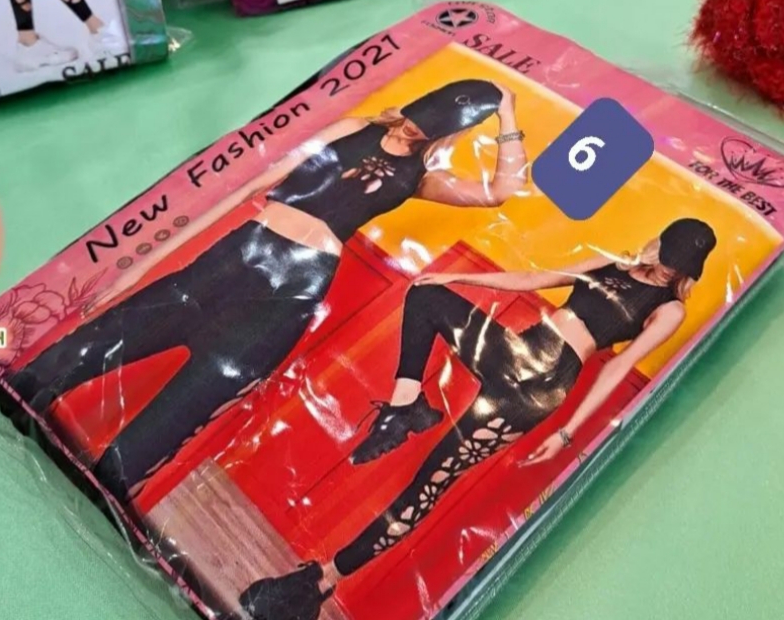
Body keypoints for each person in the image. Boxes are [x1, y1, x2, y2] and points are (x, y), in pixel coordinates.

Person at [9, 78, 527, 502]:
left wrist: (506, 111)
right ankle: (19, 389)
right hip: (237, 258)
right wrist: (142, 265)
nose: (416, 126)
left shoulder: (420, 178)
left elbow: (501, 192)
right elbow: (254, 186)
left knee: (178, 415)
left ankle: (105, 490)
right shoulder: (355, 128)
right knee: (87, 349)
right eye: (419, 113)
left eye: (433, 124)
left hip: (297, 290)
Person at [238, 217, 718, 620]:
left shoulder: (669, 309)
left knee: (430, 481)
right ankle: (406, 406)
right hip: (517, 349)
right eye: (670, 254)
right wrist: (456, 278)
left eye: (681, 264)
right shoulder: (611, 261)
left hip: (540, 387)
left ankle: (323, 581)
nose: (670, 266)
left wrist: (569, 432)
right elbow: (533, 279)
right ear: (659, 241)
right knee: (426, 296)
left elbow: (618, 365)